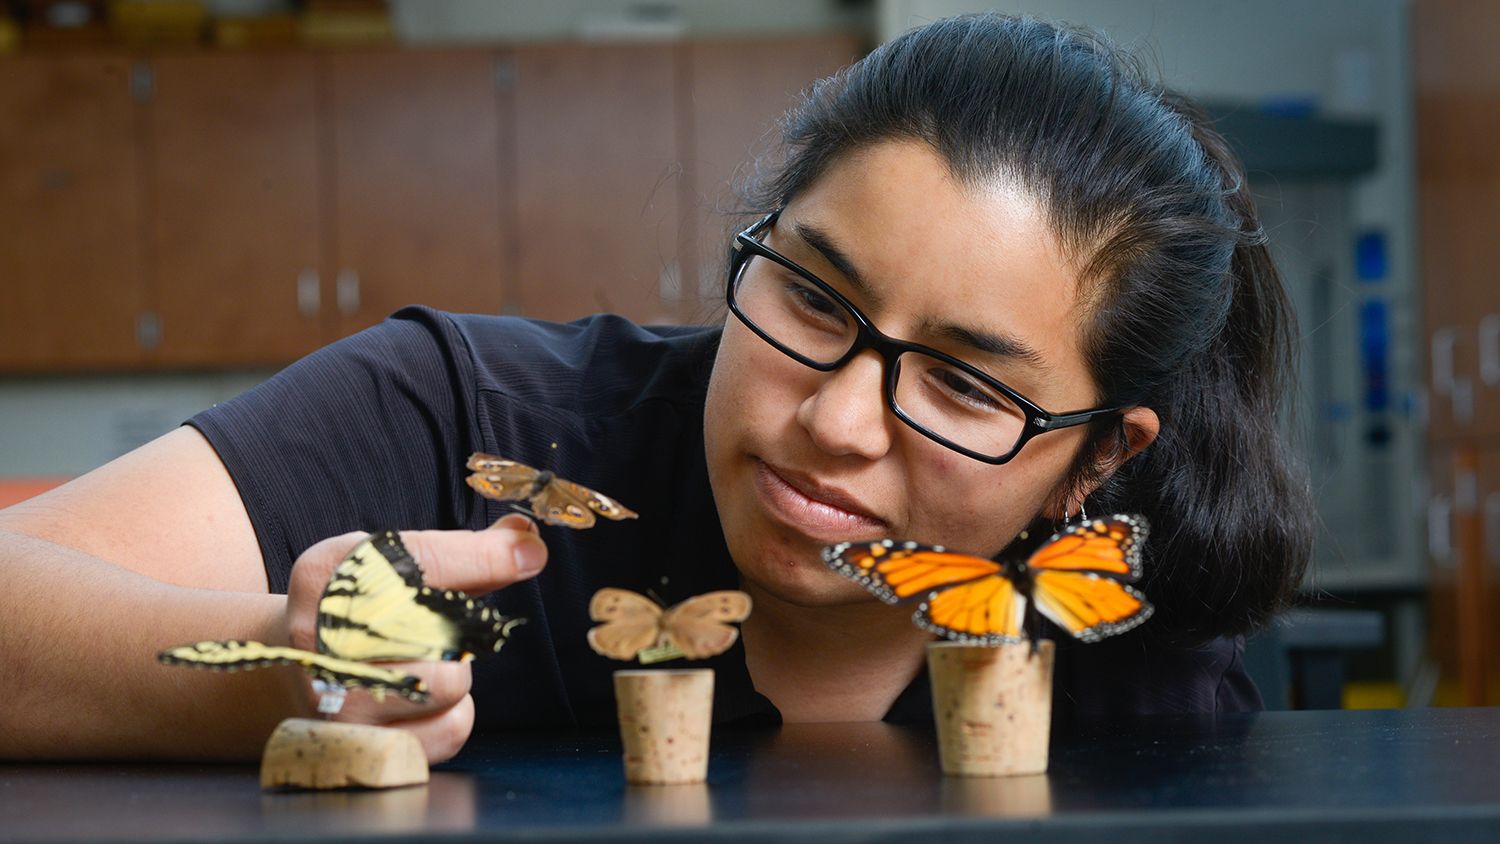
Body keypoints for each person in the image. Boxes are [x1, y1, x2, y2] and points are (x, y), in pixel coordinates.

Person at [0, 12, 1311, 762]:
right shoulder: (469, 424)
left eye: (965, 386)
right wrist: (266, 681)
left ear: (1094, 461)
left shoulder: (1131, 626)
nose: (835, 422)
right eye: (812, 297)